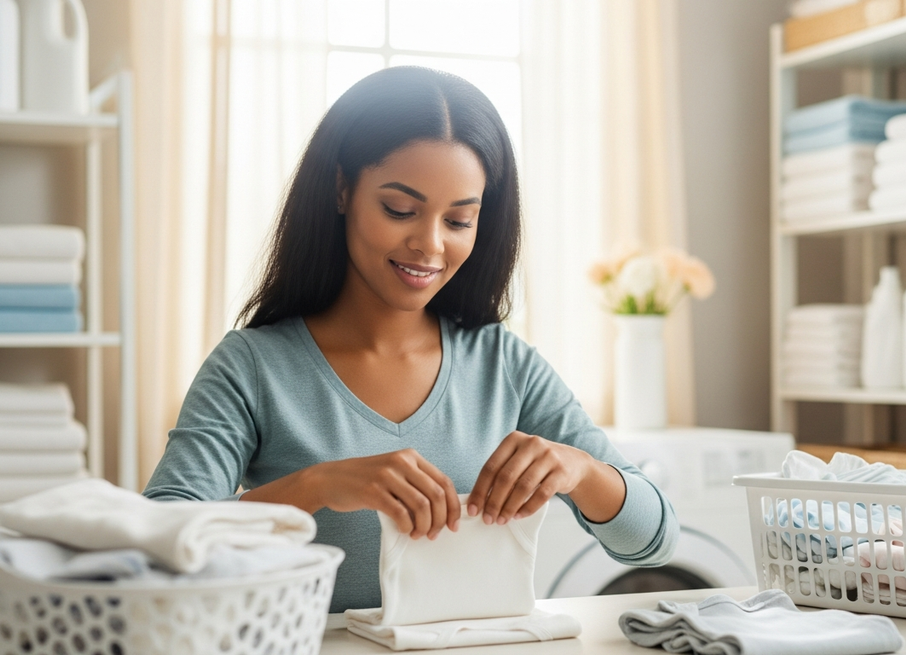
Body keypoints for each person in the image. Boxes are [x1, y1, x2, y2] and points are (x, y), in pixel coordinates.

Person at [143, 66, 679, 612]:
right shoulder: (252, 367)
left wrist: (583, 471)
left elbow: (654, 541)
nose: (429, 245)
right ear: (341, 188)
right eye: (400, 210)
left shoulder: (503, 364)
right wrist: (318, 486)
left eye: (459, 220)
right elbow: (155, 540)